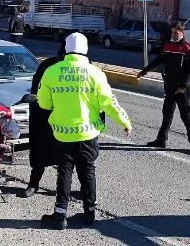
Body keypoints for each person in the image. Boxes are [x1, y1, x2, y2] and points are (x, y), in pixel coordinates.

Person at [37, 33, 133, 230]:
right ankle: (90, 213)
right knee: (88, 172)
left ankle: (60, 215)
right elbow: (109, 102)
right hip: (88, 134)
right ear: (86, 50)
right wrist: (125, 121)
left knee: (64, 171)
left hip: (62, 133)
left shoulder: (52, 71)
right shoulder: (95, 73)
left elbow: (44, 103)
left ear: (66, 49)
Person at [137, 22, 190, 154]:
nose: (173, 35)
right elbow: (159, 60)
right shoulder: (168, 45)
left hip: (182, 89)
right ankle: (161, 140)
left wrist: (184, 86)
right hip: (169, 87)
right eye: (172, 33)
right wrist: (145, 70)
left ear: (182, 33)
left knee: (186, 116)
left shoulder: (188, 48)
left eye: (176, 33)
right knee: (167, 114)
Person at [23, 41, 67, 198]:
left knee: (70, 159)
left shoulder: (83, 67)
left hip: (68, 119)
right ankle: (33, 183)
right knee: (40, 152)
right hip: (45, 117)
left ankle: (66, 191)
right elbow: (36, 90)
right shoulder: (48, 66)